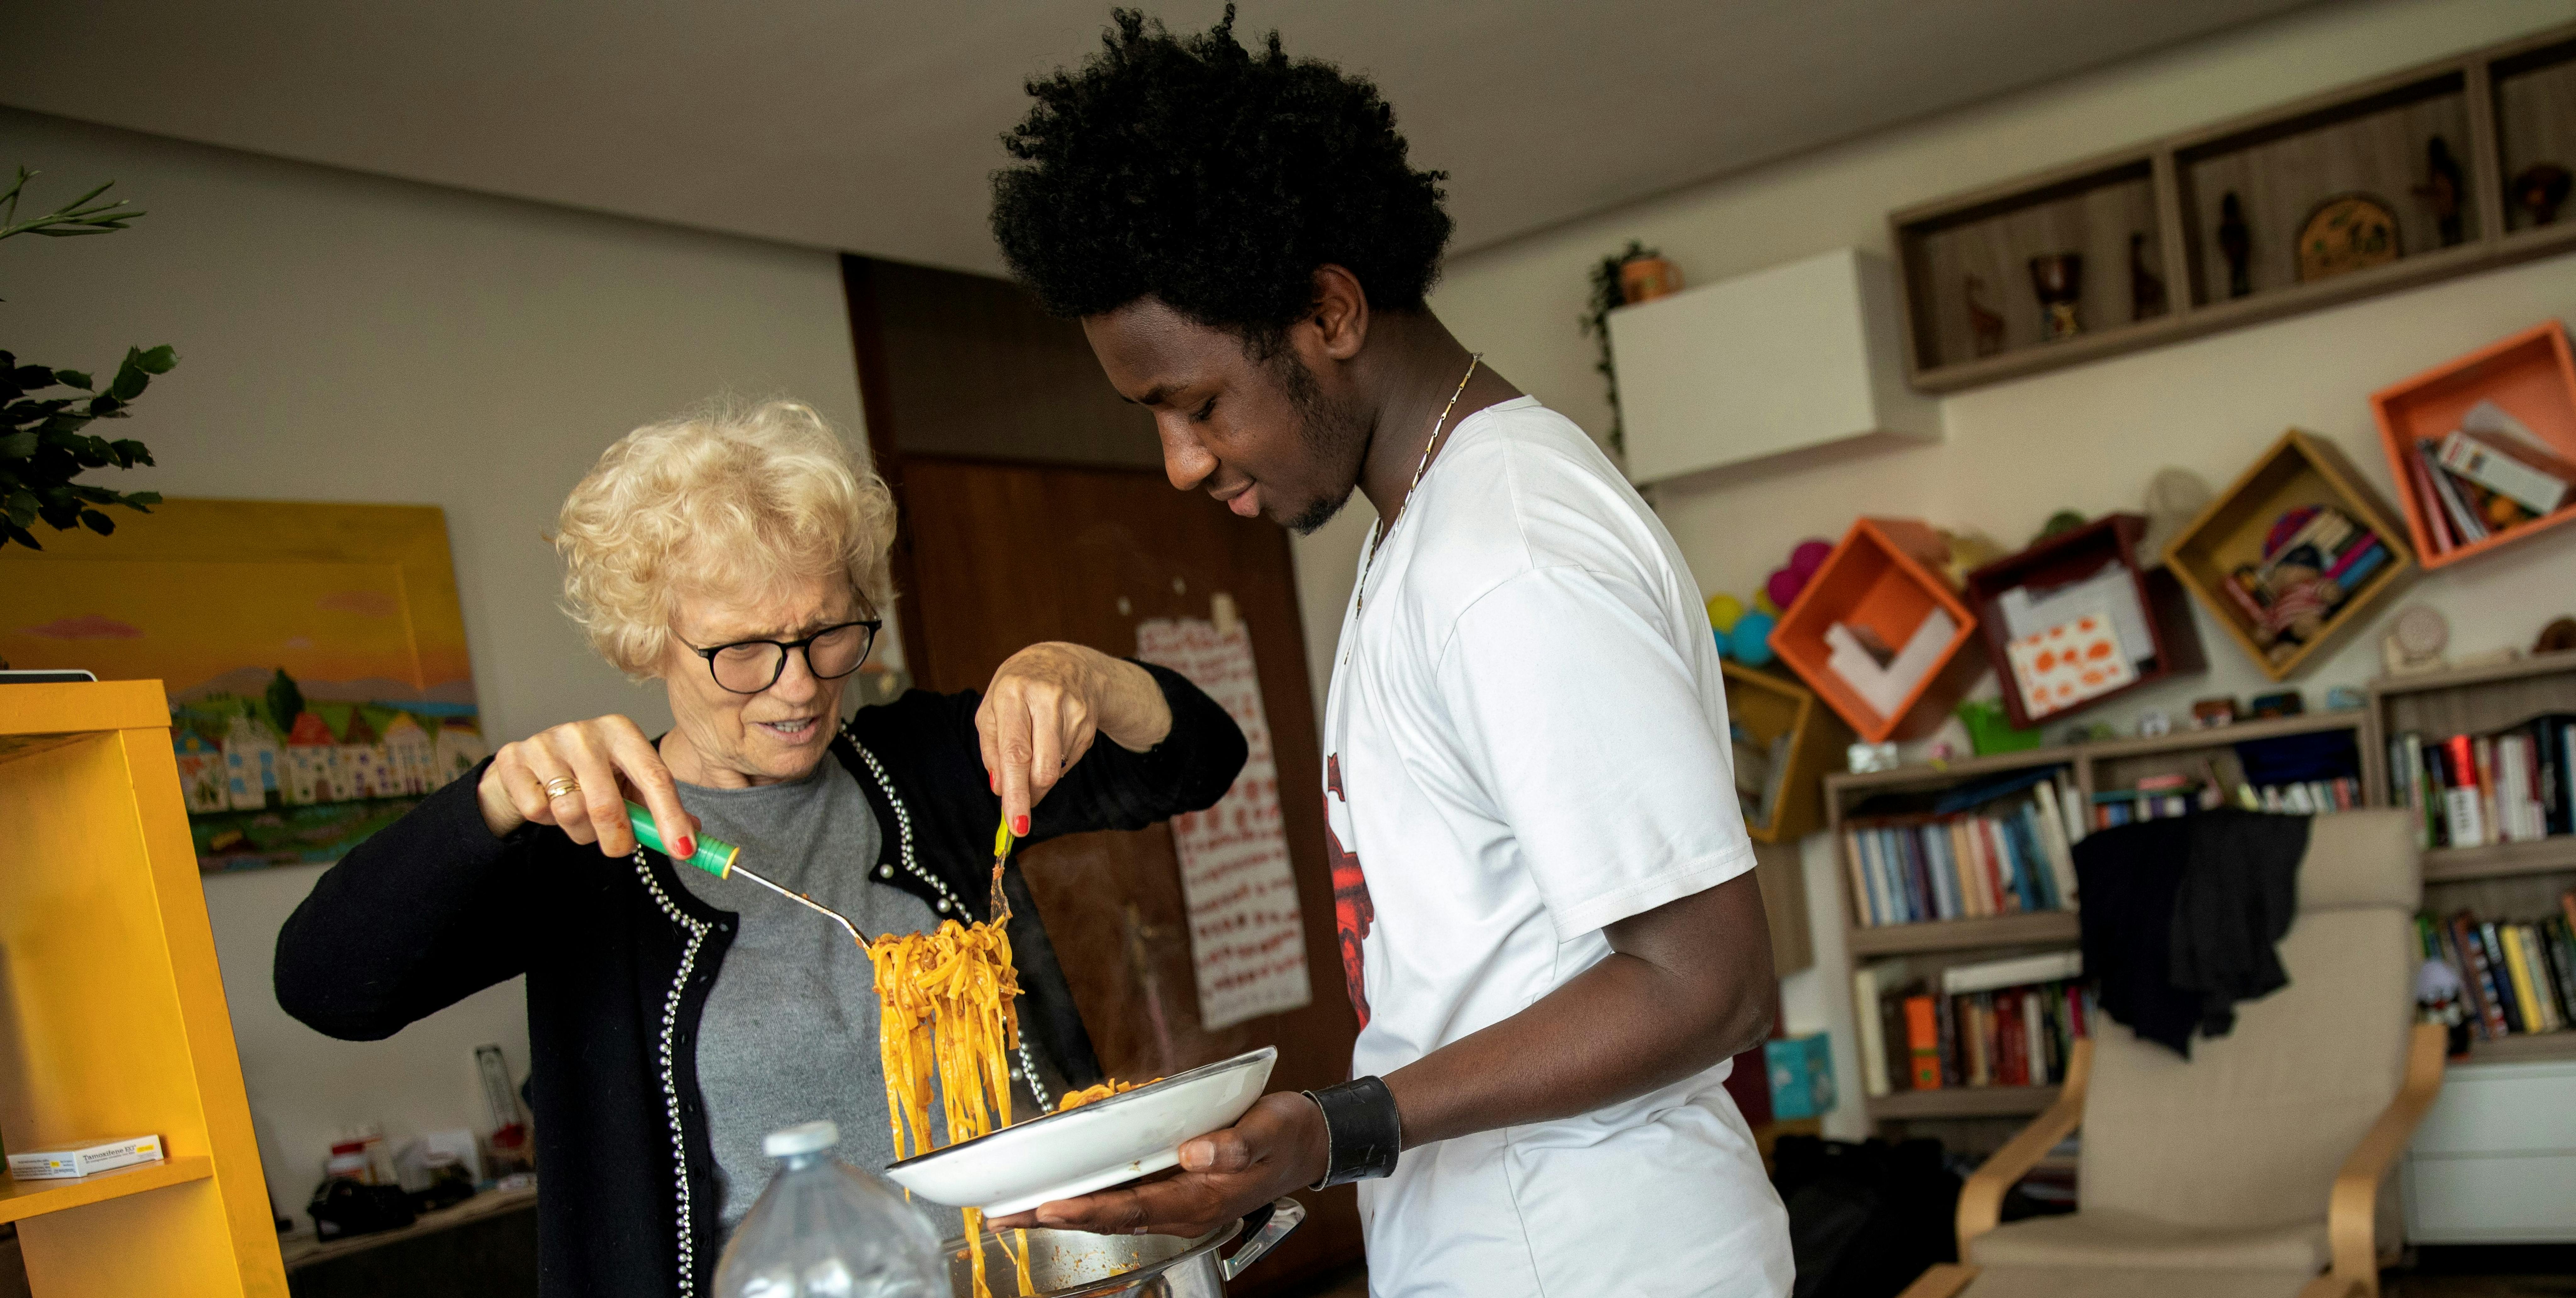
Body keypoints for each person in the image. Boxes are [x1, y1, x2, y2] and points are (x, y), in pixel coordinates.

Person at [985, 12, 1793, 1296]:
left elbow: (1708, 982)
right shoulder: (1427, 525)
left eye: (1197, 405)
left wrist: (1329, 1127)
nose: (1182, 464)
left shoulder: (1504, 556)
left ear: (1327, 309)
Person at [273, 398, 1246, 1298]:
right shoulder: (582, 840)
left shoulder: (933, 764)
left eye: (829, 634)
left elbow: (1199, 762)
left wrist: (1089, 673)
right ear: (646, 640)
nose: (798, 689)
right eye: (743, 651)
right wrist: (486, 802)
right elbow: (327, 984)